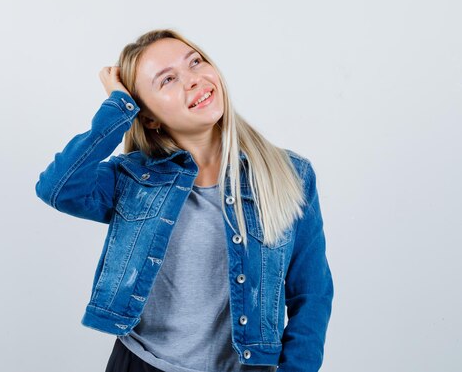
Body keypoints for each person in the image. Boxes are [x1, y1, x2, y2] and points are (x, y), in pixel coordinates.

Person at [35, 29, 333, 372]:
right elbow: (58, 188)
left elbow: (311, 294)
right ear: (148, 117)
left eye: (195, 62)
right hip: (141, 364)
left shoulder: (289, 174)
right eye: (168, 80)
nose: (193, 80)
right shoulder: (132, 179)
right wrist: (118, 108)